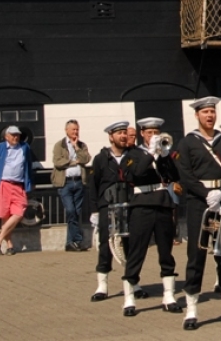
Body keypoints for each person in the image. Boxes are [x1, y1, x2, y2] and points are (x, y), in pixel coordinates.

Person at [174, 97, 221, 329]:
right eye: (205, 112)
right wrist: (206, 194)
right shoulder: (187, 142)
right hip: (199, 203)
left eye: (212, 111)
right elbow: (185, 175)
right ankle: (192, 310)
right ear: (197, 115)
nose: (209, 116)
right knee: (197, 255)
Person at [121, 117, 181, 317]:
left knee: (166, 251)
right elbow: (136, 172)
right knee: (137, 251)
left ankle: (169, 296)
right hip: (142, 204)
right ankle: (129, 298)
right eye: (149, 133)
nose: (153, 136)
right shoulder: (133, 154)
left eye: (156, 133)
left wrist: (165, 156)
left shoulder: (162, 153)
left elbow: (174, 176)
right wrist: (151, 153)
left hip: (162, 202)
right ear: (142, 134)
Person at [88, 121, 136, 303]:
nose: (123, 136)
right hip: (107, 207)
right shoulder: (101, 158)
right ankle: (102, 286)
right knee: (105, 245)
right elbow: (93, 185)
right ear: (111, 136)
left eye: (124, 132)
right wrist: (94, 210)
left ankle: (134, 283)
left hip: (128, 205)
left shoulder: (133, 156)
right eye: (119, 133)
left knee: (130, 245)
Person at [0, 125, 36, 256]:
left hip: (18, 185)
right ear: (6, 136)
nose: (15, 137)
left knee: (19, 212)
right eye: (13, 135)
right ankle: (10, 246)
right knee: (5, 216)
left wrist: (30, 182)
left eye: (17, 135)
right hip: (3, 184)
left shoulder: (24, 147)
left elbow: (28, 165)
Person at [52, 119, 91, 252]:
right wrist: (74, 162)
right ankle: (77, 239)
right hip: (65, 183)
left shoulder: (82, 145)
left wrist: (77, 148)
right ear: (66, 130)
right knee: (70, 211)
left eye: (77, 129)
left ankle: (71, 243)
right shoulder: (60, 145)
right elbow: (58, 162)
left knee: (76, 213)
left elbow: (86, 159)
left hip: (79, 181)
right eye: (73, 129)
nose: (76, 132)